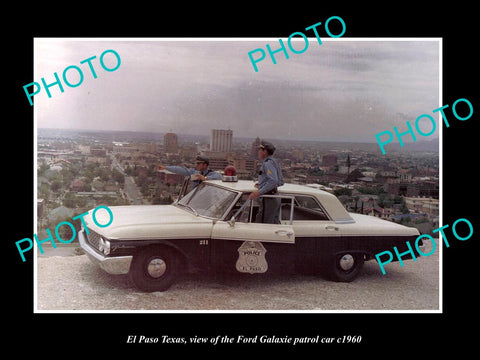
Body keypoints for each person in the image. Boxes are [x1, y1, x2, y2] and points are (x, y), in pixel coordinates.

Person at [248, 140, 284, 224]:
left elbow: (274, 180)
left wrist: (259, 192)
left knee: (265, 225)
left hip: (268, 199)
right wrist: (262, 184)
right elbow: (280, 181)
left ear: (265, 152)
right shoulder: (274, 162)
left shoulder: (268, 164)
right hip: (274, 197)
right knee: (273, 224)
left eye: (260, 150)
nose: (258, 152)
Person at [158, 155, 222, 187]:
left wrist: (205, 178)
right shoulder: (194, 172)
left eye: (198, 163)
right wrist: (165, 167)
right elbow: (180, 170)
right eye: (196, 163)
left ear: (205, 165)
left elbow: (219, 176)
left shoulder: (211, 173)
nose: (196, 165)